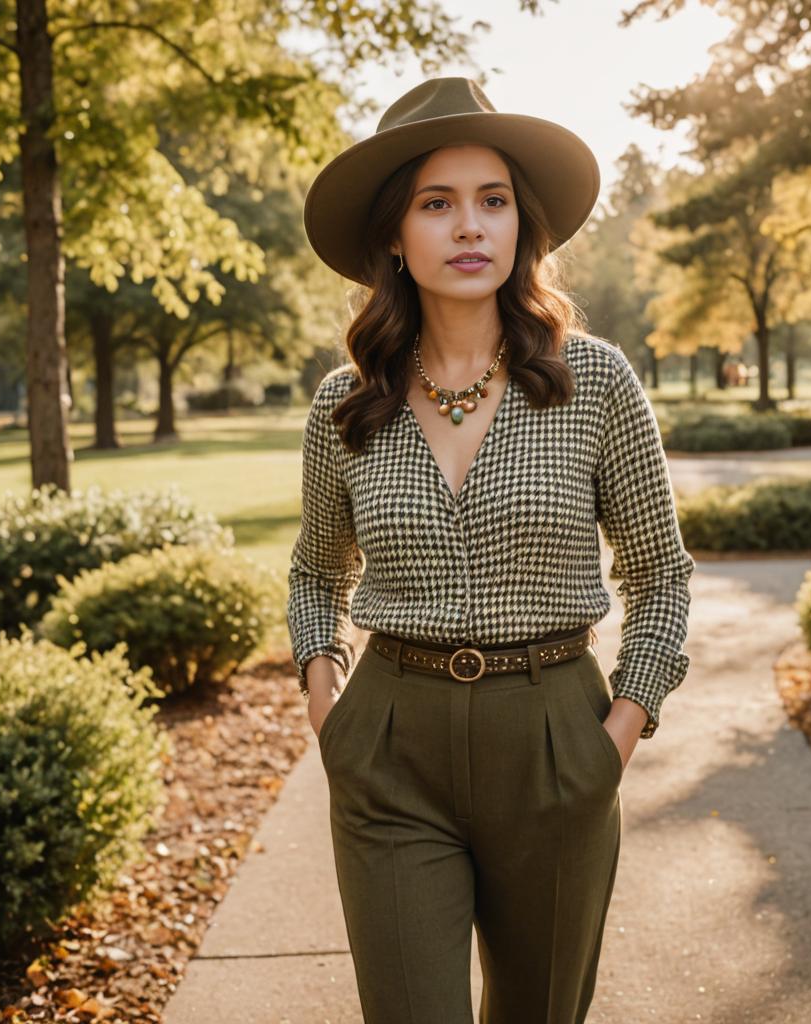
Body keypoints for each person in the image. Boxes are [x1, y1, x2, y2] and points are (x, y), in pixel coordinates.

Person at [287, 76, 695, 1024]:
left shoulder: (592, 380)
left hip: (555, 738)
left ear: (521, 227)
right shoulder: (343, 405)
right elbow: (316, 572)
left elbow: (660, 574)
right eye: (438, 203)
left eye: (493, 201)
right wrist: (328, 705)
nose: (470, 226)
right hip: (389, 746)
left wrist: (617, 736)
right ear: (395, 234)